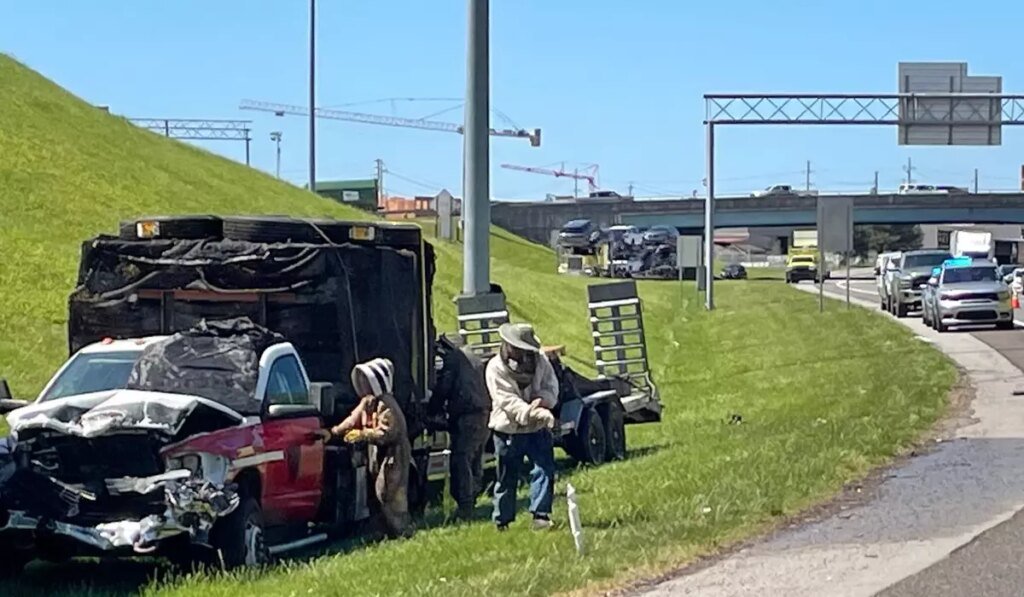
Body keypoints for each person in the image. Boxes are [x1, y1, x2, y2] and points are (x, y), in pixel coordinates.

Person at [321, 357, 413, 538]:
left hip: (394, 455)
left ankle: (403, 532)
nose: (362, 384)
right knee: (376, 495)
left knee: (390, 494)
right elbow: (352, 420)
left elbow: (388, 433)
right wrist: (332, 432)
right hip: (377, 454)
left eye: (366, 380)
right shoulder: (367, 402)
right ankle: (383, 533)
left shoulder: (387, 405)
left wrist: (363, 435)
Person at [485, 322, 559, 531]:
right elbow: (506, 400)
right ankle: (502, 521)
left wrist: (544, 400)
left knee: (545, 470)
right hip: (508, 429)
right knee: (507, 477)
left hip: (537, 429)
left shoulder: (541, 361)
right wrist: (532, 412)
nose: (523, 353)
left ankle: (540, 516)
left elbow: (551, 386)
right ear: (509, 345)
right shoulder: (495, 368)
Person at [429, 333, 492, 520]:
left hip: (468, 416)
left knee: (461, 460)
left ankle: (466, 506)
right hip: (484, 413)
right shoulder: (475, 357)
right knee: (475, 459)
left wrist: (432, 409)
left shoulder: (455, 359)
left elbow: (444, 388)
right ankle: (472, 499)